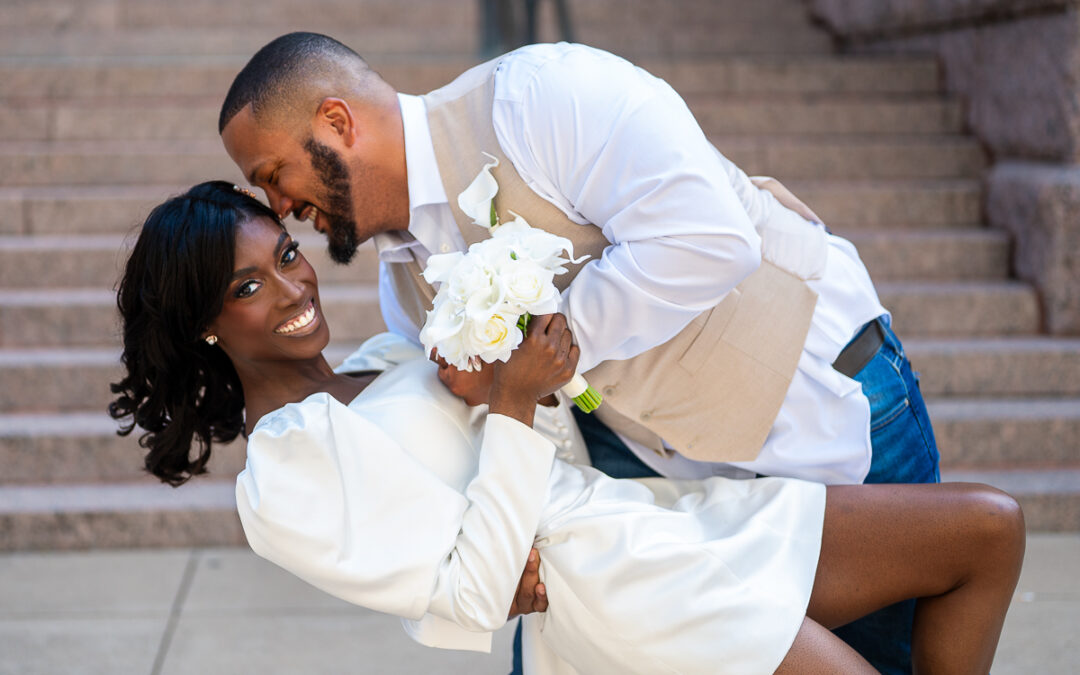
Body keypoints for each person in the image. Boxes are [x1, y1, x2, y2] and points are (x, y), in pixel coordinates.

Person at [218, 34, 941, 671]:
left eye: (273, 176)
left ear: (337, 123)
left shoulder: (538, 100)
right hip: (689, 499)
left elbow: (711, 237)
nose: (280, 208)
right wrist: (484, 583)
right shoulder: (407, 298)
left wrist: (540, 354)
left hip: (831, 407)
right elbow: (480, 455)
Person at [109, 183, 1023, 674]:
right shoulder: (281, 478)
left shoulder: (389, 359)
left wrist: (516, 392)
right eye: (247, 286)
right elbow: (472, 598)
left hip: (665, 518)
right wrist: (509, 404)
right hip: (626, 594)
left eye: (287, 256)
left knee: (986, 530)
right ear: (203, 323)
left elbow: (530, 477)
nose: (294, 288)